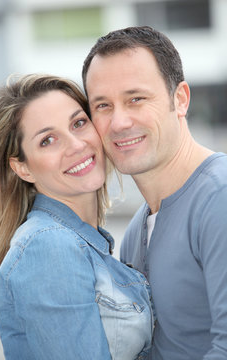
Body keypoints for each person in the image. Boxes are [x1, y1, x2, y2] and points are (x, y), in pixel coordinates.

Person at [82, 26, 227, 359]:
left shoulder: (219, 199)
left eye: (136, 99)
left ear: (180, 99)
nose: (119, 122)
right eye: (103, 106)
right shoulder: (136, 231)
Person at [0, 74, 155, 360]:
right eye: (48, 140)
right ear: (22, 168)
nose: (76, 145)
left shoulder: (82, 242)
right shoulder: (49, 247)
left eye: (78, 123)